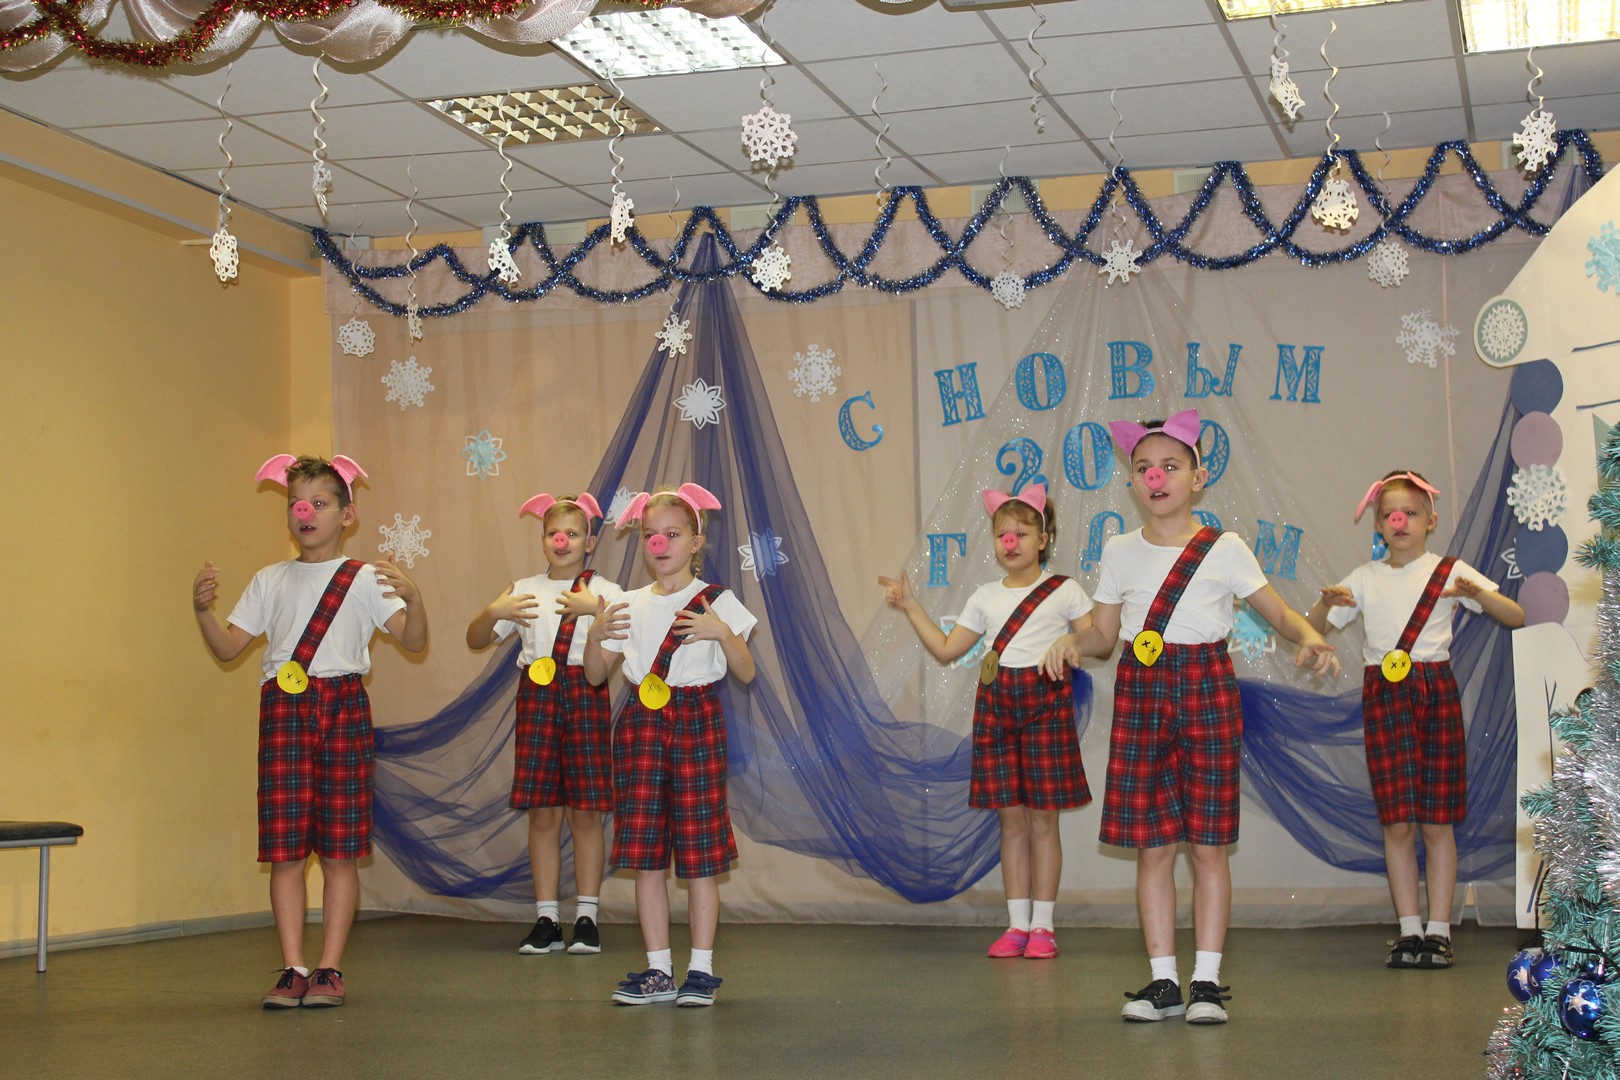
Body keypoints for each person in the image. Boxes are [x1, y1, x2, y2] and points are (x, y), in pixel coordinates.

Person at [1046, 410, 1337, 1025]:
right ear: (1132, 481)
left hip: (1207, 686)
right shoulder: (1120, 550)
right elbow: (1103, 636)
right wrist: (1073, 642)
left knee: (1208, 845)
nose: (1157, 477)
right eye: (1144, 468)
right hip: (1142, 689)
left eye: (1171, 466)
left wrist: (1311, 636)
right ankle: (1163, 983)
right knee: (1153, 846)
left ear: (1198, 478)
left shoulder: (1225, 549)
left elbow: (1280, 615)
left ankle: (1206, 981)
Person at [192, 454, 427, 1009]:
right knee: (286, 851)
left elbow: (413, 641)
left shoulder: (365, 578)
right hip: (283, 709)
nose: (306, 513)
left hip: (343, 705)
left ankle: (329, 969)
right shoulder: (269, 579)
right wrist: (202, 612)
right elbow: (229, 647)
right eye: (297, 503)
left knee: (340, 851)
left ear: (348, 514)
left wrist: (415, 599)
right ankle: (293, 967)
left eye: (320, 503)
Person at [1307, 469, 1523, 969]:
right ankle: (1409, 929)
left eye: (1410, 512)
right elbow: (1312, 629)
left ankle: (1439, 931)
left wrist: (1477, 593)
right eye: (1389, 514)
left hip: (1434, 692)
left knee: (1436, 821)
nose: (1399, 521)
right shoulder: (1364, 577)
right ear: (1378, 524)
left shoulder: (1448, 571)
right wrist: (1323, 603)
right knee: (1398, 822)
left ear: (1431, 520)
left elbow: (1515, 616)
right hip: (1384, 695)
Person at [879, 483, 1094, 960]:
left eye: (1021, 533)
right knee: (1010, 823)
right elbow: (946, 649)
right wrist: (911, 605)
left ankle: (1043, 928)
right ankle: (1016, 925)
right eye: (1001, 535)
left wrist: (1073, 647)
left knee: (1043, 822)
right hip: (996, 706)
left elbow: (1097, 638)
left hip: (1046, 704)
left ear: (1043, 539)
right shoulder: (984, 596)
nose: (1010, 542)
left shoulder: (1065, 590)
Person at [583, 484, 756, 1007]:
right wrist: (593, 635)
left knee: (700, 854)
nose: (659, 544)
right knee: (646, 856)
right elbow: (595, 675)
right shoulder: (626, 603)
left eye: (672, 534)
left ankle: (700, 971)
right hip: (641, 722)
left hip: (696, 719)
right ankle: (659, 970)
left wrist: (722, 633)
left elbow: (747, 672)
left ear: (695, 542)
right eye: (650, 535)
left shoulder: (718, 600)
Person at [467, 492, 621, 957]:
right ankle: (547, 918)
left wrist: (595, 610)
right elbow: (476, 638)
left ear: (589, 542)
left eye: (572, 533)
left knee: (586, 812)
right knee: (543, 812)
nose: (562, 540)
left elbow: (613, 656)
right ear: (542, 539)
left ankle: (587, 917)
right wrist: (492, 613)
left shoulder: (607, 591)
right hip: (537, 697)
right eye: (554, 532)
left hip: (585, 693)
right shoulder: (524, 589)